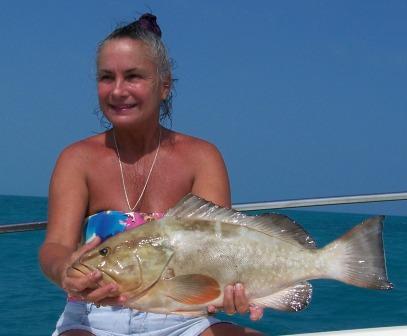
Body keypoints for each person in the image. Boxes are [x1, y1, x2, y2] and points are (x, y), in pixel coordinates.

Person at [39, 13, 264, 336]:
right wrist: (64, 270)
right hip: (93, 315)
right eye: (106, 77)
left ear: (164, 85)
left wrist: (237, 291)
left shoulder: (202, 157)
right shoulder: (77, 159)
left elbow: (220, 248)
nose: (117, 90)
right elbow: (56, 245)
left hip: (184, 316)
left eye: (133, 76)